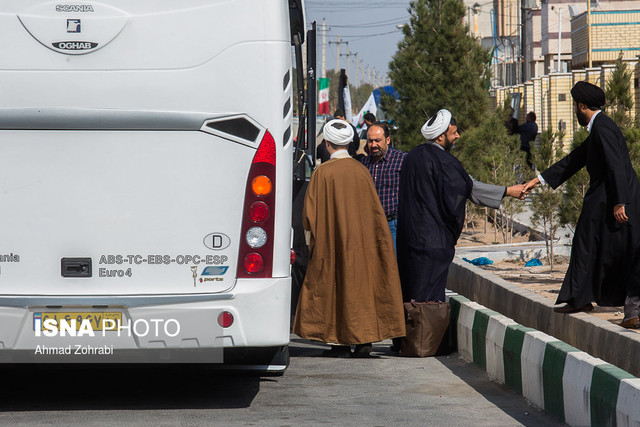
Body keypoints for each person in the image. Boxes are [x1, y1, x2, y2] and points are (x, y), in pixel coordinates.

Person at [522, 81, 640, 325]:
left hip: (618, 198)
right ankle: (580, 298)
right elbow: (575, 159)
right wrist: (539, 180)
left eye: (576, 106)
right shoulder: (599, 128)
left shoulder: (603, 128)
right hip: (605, 197)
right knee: (587, 243)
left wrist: (620, 202)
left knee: (624, 251)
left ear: (582, 105)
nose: (575, 111)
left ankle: (631, 311)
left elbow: (617, 164)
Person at [293, 119, 406, 357]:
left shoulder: (322, 173)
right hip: (362, 245)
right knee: (359, 289)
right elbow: (375, 212)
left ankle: (339, 342)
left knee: (334, 289)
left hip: (331, 245)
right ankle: (363, 341)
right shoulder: (362, 170)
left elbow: (308, 217)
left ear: (327, 143)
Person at [397, 109, 526, 303]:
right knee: (429, 306)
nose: (458, 136)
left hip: (409, 243)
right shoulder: (444, 162)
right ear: (441, 137)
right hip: (432, 245)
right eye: (454, 133)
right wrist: (508, 191)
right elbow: (467, 188)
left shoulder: (411, 157)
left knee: (410, 299)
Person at [360, 122, 406, 250]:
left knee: (393, 266)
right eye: (370, 141)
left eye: (377, 140)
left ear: (388, 140)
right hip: (369, 226)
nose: (373, 145)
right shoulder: (363, 164)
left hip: (393, 225)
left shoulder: (402, 160)